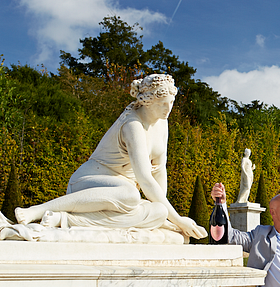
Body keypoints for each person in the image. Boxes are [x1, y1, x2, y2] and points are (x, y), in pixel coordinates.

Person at [14, 74, 205, 239]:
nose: (168, 109)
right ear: (147, 102)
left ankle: (64, 219)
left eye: (171, 103)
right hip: (89, 184)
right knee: (130, 193)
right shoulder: (133, 125)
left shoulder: (162, 122)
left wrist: (166, 215)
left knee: (159, 211)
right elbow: (146, 180)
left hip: (122, 195)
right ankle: (37, 210)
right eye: (162, 104)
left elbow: (159, 169)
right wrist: (179, 221)